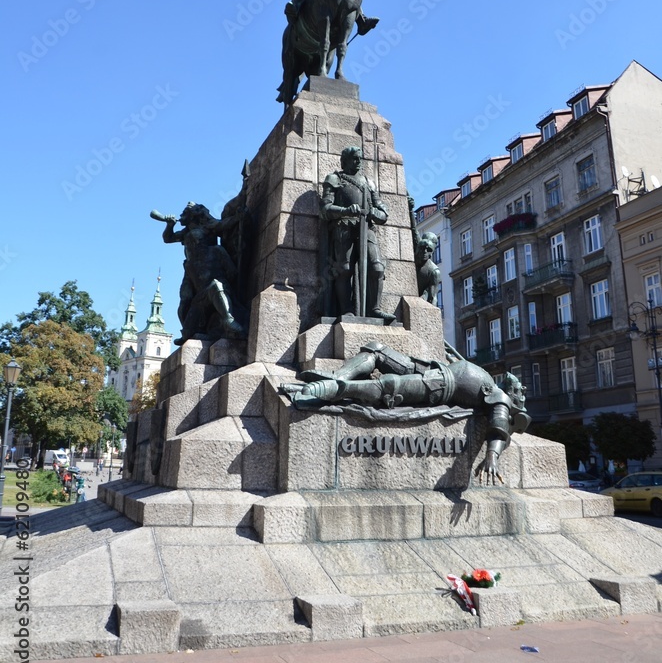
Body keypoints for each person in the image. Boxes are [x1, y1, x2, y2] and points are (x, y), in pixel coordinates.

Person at [283, 340, 531, 484]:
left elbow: (498, 427)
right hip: (429, 369)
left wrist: (492, 457)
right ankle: (337, 377)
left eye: (520, 389)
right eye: (519, 387)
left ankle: (335, 389)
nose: (519, 387)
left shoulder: (501, 398)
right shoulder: (489, 380)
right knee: (377, 349)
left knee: (389, 386)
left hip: (438, 387)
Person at [320, 146, 394, 322]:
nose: (359, 162)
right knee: (344, 269)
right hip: (343, 228)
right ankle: (346, 310)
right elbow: (325, 209)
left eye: (360, 158)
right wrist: (346, 210)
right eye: (354, 158)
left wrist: (372, 213)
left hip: (365, 228)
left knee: (377, 267)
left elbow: (383, 212)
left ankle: (374, 308)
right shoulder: (334, 179)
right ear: (344, 160)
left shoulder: (368, 182)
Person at [162, 202, 247, 345]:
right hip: (191, 270)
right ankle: (187, 332)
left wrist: (238, 218)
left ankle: (228, 319)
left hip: (208, 269)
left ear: (193, 215)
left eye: (184, 212)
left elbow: (224, 224)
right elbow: (168, 238)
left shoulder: (208, 228)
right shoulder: (186, 231)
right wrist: (170, 225)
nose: (181, 215)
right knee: (185, 301)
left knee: (215, 287)